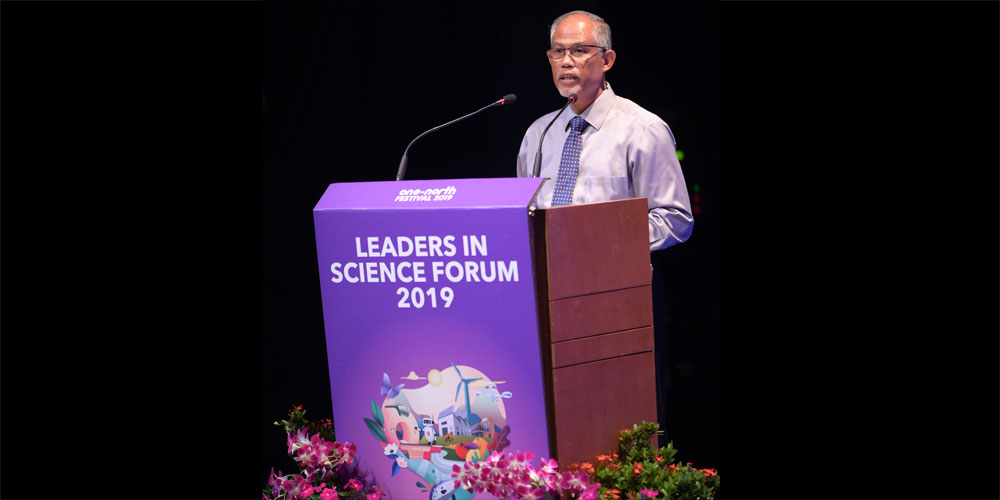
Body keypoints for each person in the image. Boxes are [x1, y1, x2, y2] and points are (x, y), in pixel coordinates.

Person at [516, 10, 694, 251]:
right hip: (546, 278)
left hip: (614, 276)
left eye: (579, 50)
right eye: (558, 51)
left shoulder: (643, 129)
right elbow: (523, 215)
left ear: (607, 60)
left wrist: (604, 241)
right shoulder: (538, 133)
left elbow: (674, 218)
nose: (566, 61)